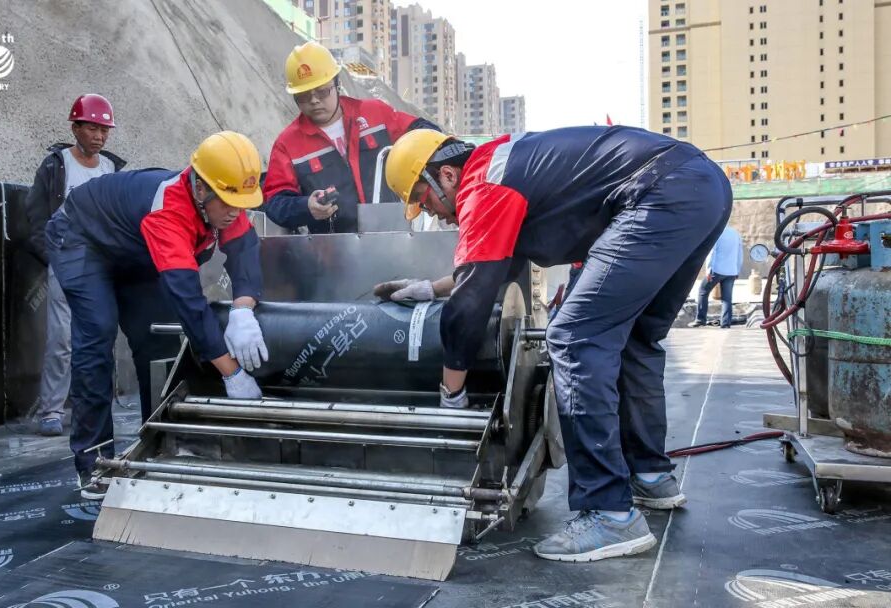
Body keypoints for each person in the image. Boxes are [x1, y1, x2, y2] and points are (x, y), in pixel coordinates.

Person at [379, 127, 732, 562]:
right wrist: (430, 289)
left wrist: (451, 393)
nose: (434, 214)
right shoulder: (501, 168)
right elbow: (493, 267)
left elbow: (472, 301)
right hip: (699, 188)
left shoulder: (482, 185)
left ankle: (609, 513)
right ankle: (650, 474)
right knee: (636, 337)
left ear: (446, 176)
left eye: (425, 198)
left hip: (657, 195)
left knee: (573, 337)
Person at [46, 131, 270, 499]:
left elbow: (245, 250)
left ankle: (161, 443)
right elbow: (186, 299)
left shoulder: (227, 203)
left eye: (242, 203)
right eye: (229, 202)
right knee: (97, 334)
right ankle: (94, 462)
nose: (236, 211)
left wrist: (243, 308)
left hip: (133, 248)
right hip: (81, 239)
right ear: (201, 189)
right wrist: (232, 372)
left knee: (157, 338)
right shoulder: (169, 211)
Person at [23, 93, 126, 437]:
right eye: (93, 128)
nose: (99, 136)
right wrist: (53, 256)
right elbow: (36, 215)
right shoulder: (57, 165)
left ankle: (88, 405)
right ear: (76, 127)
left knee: (100, 335)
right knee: (61, 338)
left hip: (103, 265)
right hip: (68, 260)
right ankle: (51, 410)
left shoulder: (112, 168)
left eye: (104, 130)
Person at [262, 42, 439, 234]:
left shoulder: (375, 114)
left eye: (322, 91)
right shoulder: (288, 144)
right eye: (304, 96)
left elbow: (423, 134)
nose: (314, 100)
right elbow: (274, 201)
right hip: (334, 251)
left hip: (392, 236)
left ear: (337, 84)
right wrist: (306, 207)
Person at [689, 225, 743, 328]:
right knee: (727, 299)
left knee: (703, 291)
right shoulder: (735, 233)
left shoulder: (717, 232)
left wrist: (709, 270)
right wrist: (737, 269)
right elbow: (740, 253)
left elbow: (712, 252)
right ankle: (725, 323)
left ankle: (700, 320)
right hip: (731, 271)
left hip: (717, 270)